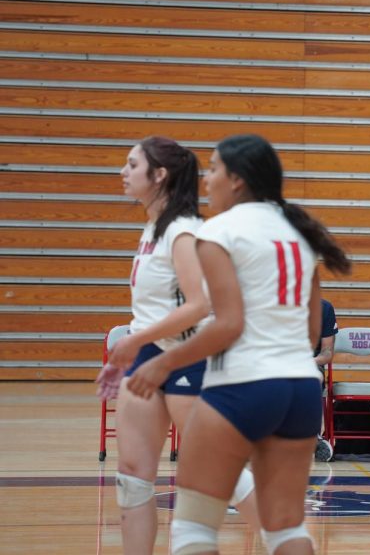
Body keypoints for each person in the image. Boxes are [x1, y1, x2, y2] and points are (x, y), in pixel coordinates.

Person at [126, 133, 352, 555]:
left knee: (192, 528)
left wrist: (163, 362)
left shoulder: (219, 231)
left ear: (238, 180)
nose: (206, 180)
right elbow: (309, 331)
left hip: (243, 384)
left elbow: (228, 324)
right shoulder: (300, 232)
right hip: (301, 389)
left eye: (214, 169)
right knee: (286, 529)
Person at [94, 136, 258, 554]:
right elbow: (154, 309)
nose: (123, 173)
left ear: (159, 174)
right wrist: (132, 349)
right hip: (150, 354)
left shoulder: (184, 230)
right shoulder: (153, 228)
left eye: (132, 165)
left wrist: (134, 340)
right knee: (132, 476)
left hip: (190, 356)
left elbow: (201, 304)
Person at [313, 298, 338, 462]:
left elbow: (327, 353)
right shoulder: (271, 304)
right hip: (274, 362)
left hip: (310, 363)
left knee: (312, 378)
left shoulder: (324, 308)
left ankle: (312, 437)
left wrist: (308, 362)